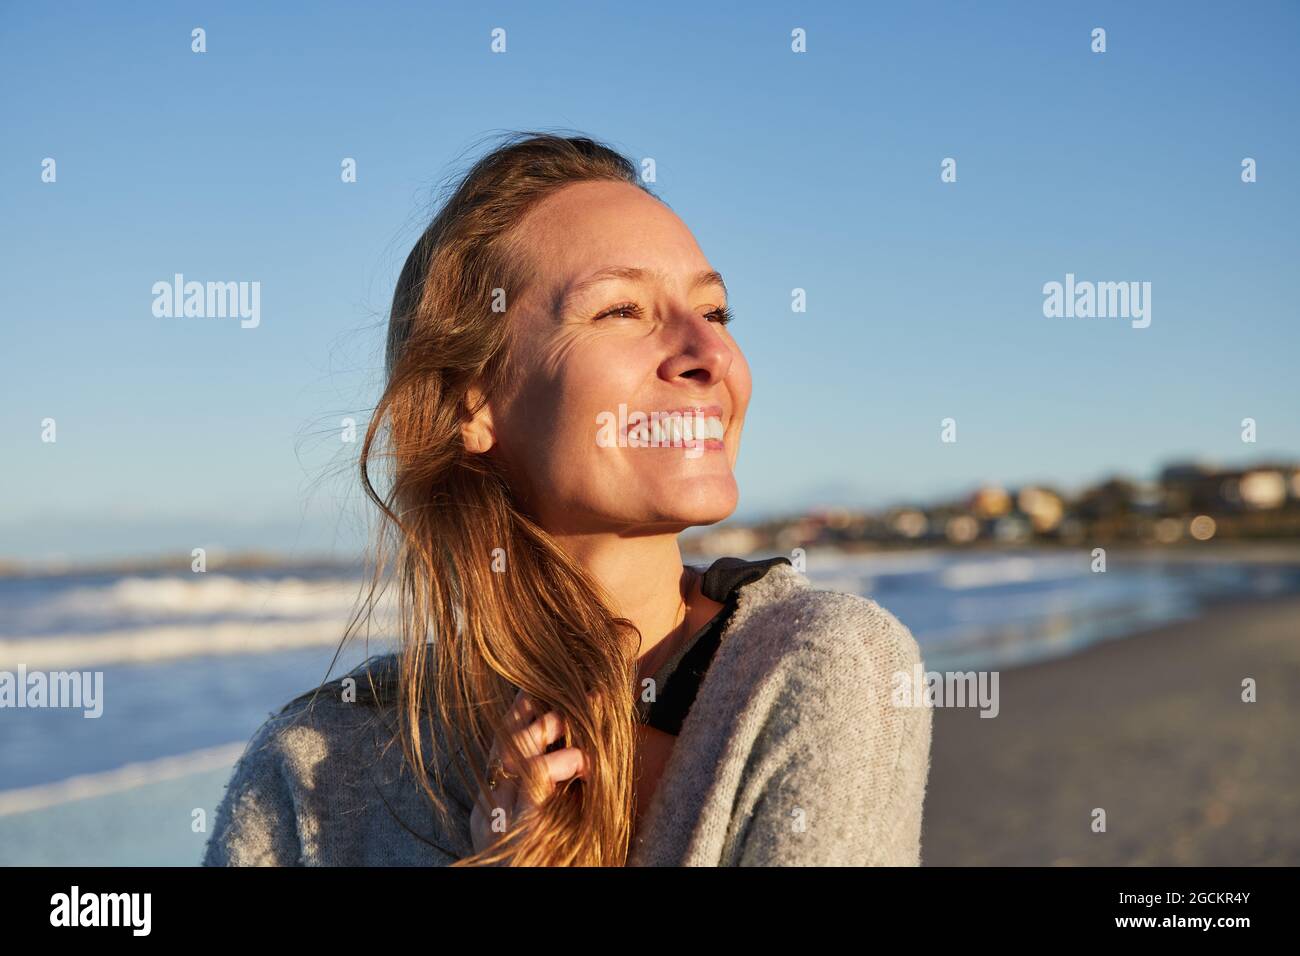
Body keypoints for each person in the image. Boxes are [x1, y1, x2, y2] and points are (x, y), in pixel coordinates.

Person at [203, 131, 932, 867]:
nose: (709, 355)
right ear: (472, 402)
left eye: (714, 314)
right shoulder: (318, 768)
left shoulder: (815, 669)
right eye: (621, 311)